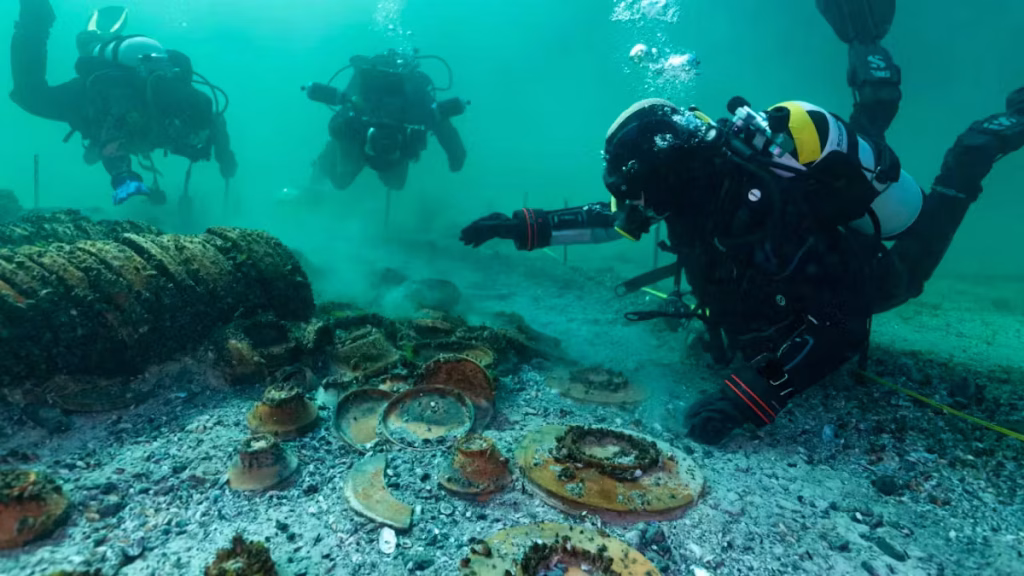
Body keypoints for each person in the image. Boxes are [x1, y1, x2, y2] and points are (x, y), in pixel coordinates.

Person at [459, 0, 1024, 445]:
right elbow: (611, 221)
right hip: (794, 255)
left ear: (667, 178)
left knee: (940, 204)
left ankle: (989, 136)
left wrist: (751, 398)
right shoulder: (685, 186)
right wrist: (520, 226)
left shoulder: (757, 207)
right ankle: (868, 51)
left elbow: (844, 322)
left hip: (879, 274)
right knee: (869, 128)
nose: (635, 207)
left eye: (639, 191)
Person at [9, 2, 237, 206]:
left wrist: (124, 176)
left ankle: (35, 19)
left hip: (109, 100)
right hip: (111, 102)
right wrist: (225, 159)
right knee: (32, 97)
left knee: (31, 95)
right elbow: (112, 141)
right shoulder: (171, 107)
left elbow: (110, 142)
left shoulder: (173, 108)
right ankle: (40, 19)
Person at [305, 48, 468, 192]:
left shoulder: (415, 101)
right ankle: (321, 171)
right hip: (358, 138)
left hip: (383, 141)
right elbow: (442, 125)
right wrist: (456, 157)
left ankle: (325, 168)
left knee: (396, 184)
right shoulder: (364, 102)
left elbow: (440, 120)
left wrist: (456, 156)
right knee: (341, 180)